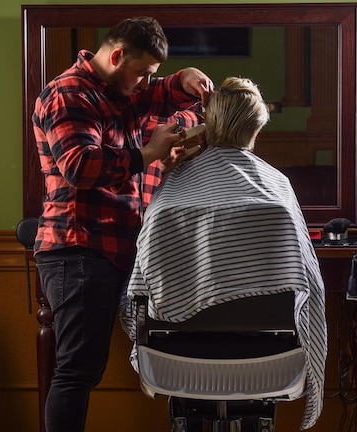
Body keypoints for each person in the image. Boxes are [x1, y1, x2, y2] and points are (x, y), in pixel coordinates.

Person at [31, 16, 213, 432]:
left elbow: (171, 105)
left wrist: (183, 83)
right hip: (77, 248)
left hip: (120, 247)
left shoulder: (125, 92)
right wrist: (149, 153)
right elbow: (80, 166)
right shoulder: (68, 93)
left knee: (91, 368)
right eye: (144, 73)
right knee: (77, 371)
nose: (149, 83)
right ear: (116, 56)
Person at [120, 76, 327, 429]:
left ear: (207, 127)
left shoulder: (172, 194)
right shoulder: (276, 193)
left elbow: (140, 291)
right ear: (255, 128)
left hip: (174, 356)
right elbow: (308, 286)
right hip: (271, 356)